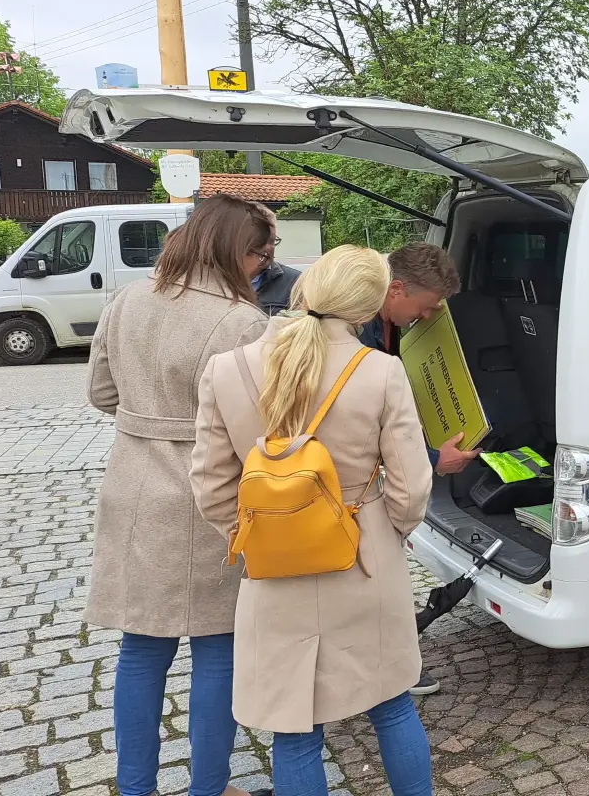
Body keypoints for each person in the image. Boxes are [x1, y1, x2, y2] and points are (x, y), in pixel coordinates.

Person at [191, 245, 434, 796]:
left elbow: (210, 484)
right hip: (364, 554)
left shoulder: (227, 369)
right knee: (392, 706)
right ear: (369, 307)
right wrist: (386, 531)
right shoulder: (381, 370)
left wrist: (258, 536)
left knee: (294, 730)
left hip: (275, 568)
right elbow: (412, 484)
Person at [85, 194, 273, 796]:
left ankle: (135, 787)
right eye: (260, 252)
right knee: (218, 648)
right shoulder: (241, 322)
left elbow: (101, 394)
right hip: (204, 494)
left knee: (141, 650)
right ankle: (209, 787)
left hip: (131, 488)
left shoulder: (127, 299)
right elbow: (251, 429)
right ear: (234, 250)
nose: (263, 266)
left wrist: (150, 415)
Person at [359, 241, 479, 696]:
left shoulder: (387, 326)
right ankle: (386, 672)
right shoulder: (356, 336)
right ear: (396, 289)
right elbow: (363, 433)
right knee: (369, 577)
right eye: (426, 307)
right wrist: (433, 461)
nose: (429, 317)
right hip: (355, 489)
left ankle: (387, 662)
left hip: (376, 482)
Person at [249, 211, 301, 315]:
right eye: (261, 241)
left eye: (272, 241)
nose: (268, 247)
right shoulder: (219, 280)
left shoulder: (296, 282)